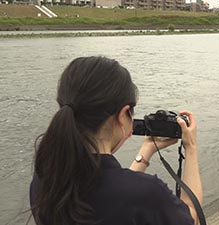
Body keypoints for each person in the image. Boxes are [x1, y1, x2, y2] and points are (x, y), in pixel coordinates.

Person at [29, 56, 202, 225]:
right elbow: (191, 218)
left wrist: (146, 151)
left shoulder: (45, 180)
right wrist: (191, 147)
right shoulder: (147, 193)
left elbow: (115, 190)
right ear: (122, 114)